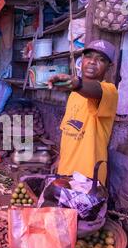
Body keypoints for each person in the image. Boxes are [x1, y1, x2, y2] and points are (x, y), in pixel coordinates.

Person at [47, 39, 119, 185]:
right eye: (89, 57)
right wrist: (60, 160)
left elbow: (95, 91)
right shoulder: (74, 94)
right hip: (65, 172)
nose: (92, 62)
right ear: (82, 59)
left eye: (101, 60)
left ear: (109, 67)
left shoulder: (110, 91)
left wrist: (76, 83)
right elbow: (68, 131)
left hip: (88, 179)